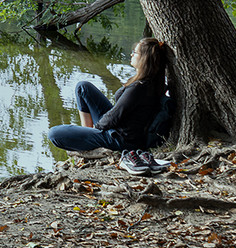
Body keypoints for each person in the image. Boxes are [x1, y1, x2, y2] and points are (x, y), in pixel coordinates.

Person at [48, 37, 174, 175]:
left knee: (54, 134)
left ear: (144, 59)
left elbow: (113, 117)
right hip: (121, 127)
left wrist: (97, 129)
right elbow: (118, 114)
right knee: (83, 87)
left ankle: (90, 139)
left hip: (120, 139)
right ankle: (87, 132)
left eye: (135, 52)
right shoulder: (154, 83)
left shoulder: (139, 87)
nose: (131, 54)